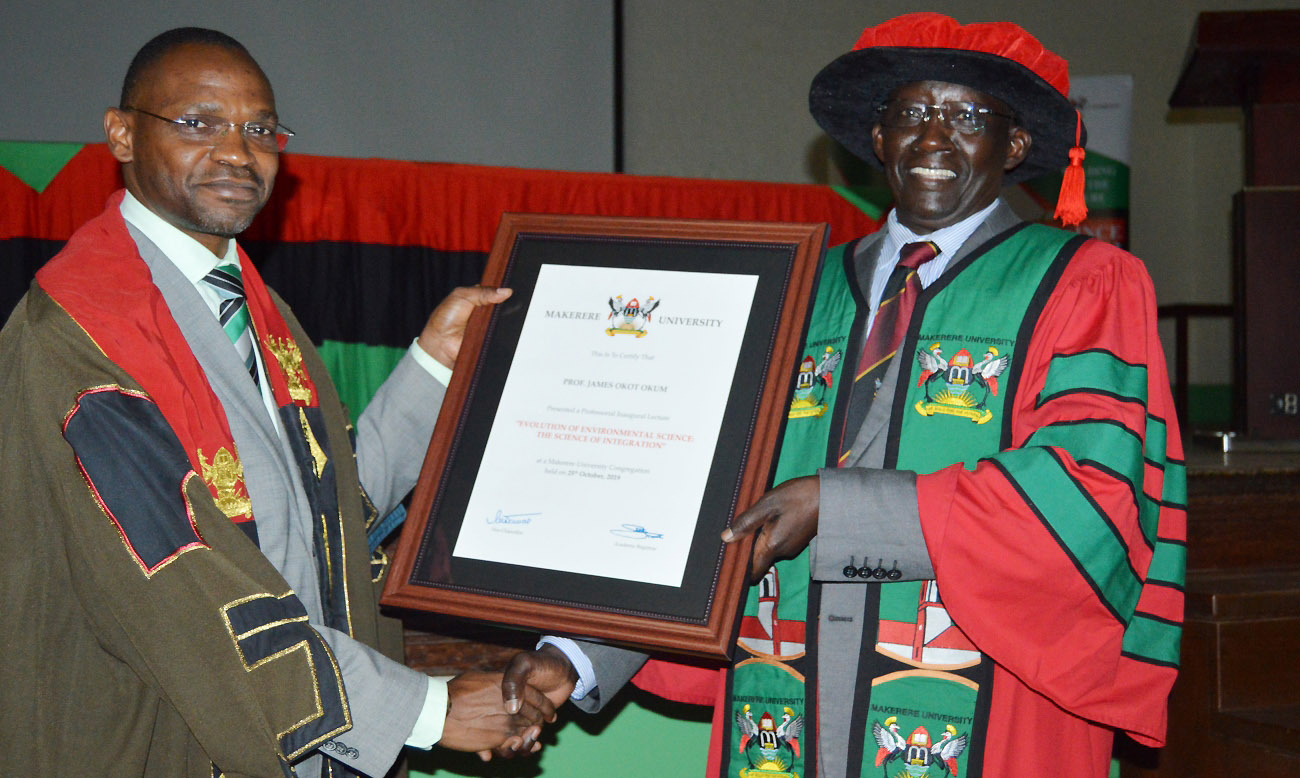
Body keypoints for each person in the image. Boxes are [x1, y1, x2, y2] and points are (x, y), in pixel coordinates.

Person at [503, 13, 1186, 778]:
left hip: (990, 711)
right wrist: (580, 656)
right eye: (911, 115)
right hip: (782, 704)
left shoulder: (1083, 282)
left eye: (966, 117)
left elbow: (1088, 495)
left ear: (1016, 146)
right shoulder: (795, 290)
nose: (934, 140)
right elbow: (698, 499)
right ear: (879, 137)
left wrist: (839, 504)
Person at [0, 27, 559, 778]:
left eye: (259, 129)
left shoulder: (260, 312)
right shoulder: (75, 339)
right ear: (122, 135)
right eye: (199, 123)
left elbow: (325, 513)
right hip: (157, 745)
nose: (237, 152)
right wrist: (426, 711)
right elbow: (183, 590)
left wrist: (434, 364)